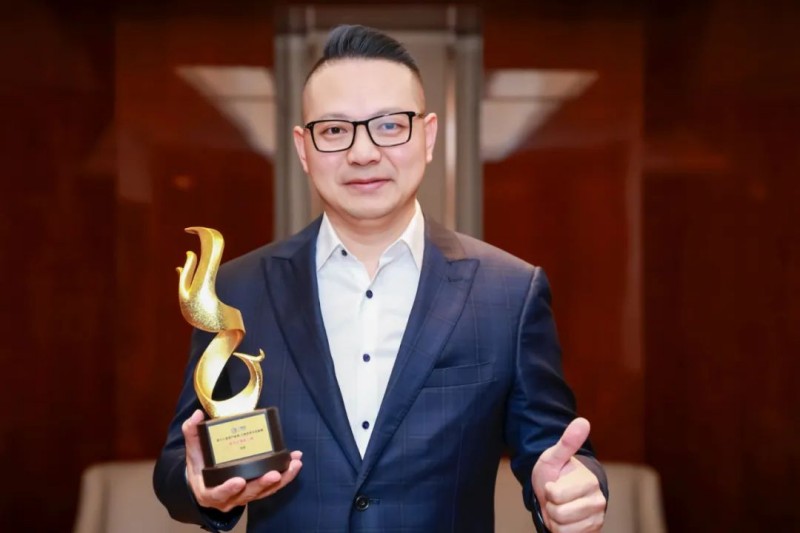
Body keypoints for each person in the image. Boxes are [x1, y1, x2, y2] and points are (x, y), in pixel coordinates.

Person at [154, 24, 608, 533]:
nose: (364, 153)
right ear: (303, 148)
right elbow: (178, 464)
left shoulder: (508, 292)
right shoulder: (239, 290)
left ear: (428, 136)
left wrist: (572, 490)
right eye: (334, 130)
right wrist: (197, 486)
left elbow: (557, 452)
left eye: (390, 125)